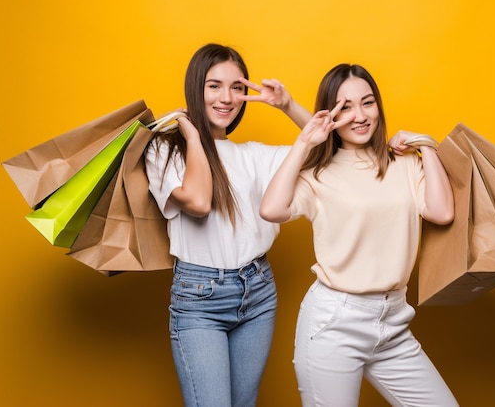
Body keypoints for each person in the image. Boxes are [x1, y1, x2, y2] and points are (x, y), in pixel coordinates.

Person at [259, 63, 459, 407]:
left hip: (393, 321)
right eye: (346, 107)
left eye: (368, 103)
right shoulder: (319, 175)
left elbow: (442, 212)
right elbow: (271, 209)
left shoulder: (405, 165)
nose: (360, 115)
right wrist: (305, 141)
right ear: (330, 115)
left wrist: (426, 146)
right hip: (335, 322)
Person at [144, 43, 311, 407]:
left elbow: (328, 145)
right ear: (195, 89)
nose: (227, 97)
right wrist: (191, 136)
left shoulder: (254, 155)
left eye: (237, 87)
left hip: (258, 291)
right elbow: (199, 203)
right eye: (214, 85)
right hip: (199, 298)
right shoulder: (163, 150)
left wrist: (287, 106)